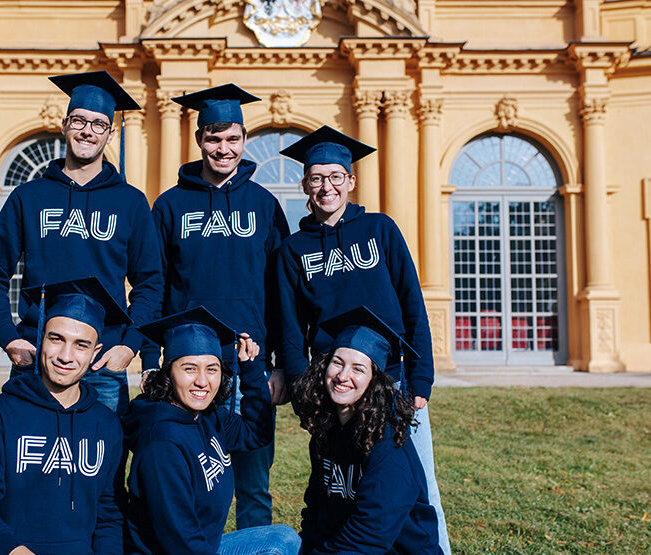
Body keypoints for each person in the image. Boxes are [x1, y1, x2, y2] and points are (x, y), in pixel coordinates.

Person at [275, 125, 451, 552]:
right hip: (334, 382)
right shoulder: (294, 250)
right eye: (317, 178)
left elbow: (412, 303)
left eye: (336, 176)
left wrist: (421, 380)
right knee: (340, 478)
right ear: (305, 184)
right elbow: (290, 327)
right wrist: (303, 391)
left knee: (417, 480)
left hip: (390, 379)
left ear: (351, 181)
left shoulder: (380, 230)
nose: (327, 186)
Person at [140, 84, 290, 529]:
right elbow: (155, 285)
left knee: (253, 484)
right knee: (182, 478)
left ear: (244, 141)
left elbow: (280, 292)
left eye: (232, 139)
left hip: (248, 366)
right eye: (213, 138)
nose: (223, 149)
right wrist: (152, 359)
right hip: (188, 366)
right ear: (199, 139)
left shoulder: (264, 205)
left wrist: (277, 365)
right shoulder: (169, 206)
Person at [0, 70, 163, 416]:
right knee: (27, 464)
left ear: (110, 135)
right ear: (64, 126)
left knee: (103, 467)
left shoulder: (130, 202)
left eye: (98, 125)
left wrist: (129, 346)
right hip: (36, 356)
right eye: (79, 121)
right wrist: (9, 338)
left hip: (102, 361)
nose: (87, 131)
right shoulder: (28, 197)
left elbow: (150, 283)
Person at [0, 277, 130, 555]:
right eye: (56, 339)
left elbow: (109, 514)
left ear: (96, 352)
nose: (65, 356)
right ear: (40, 339)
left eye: (81, 345)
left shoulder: (106, 425)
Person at [125, 307, 301, 555]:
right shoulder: (162, 444)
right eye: (189, 368)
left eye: (211, 369)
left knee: (282, 539)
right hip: (176, 551)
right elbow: (180, 542)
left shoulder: (206, 417)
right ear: (168, 374)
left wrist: (250, 369)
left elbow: (255, 434)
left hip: (204, 545)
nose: (202, 381)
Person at [293, 306, 441, 554]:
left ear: (375, 381)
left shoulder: (389, 445)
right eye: (337, 363)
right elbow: (316, 510)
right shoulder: (326, 433)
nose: (342, 376)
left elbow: (371, 534)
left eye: (358, 369)